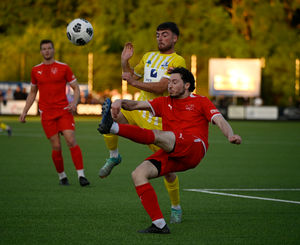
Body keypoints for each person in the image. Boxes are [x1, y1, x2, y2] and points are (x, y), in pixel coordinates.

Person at [97, 67, 242, 234]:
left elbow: (219, 120)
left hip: (194, 147)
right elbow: (135, 104)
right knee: (138, 174)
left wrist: (230, 135)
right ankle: (159, 224)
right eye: (169, 82)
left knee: (161, 135)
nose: (169, 86)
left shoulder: (201, 101)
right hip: (174, 152)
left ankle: (113, 128)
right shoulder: (163, 102)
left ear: (187, 85)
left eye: (174, 82)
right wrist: (120, 102)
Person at [100, 22, 186, 224]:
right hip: (138, 109)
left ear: (175, 38)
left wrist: (133, 82)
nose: (160, 38)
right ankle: (114, 156)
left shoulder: (177, 60)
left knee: (168, 171)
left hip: (156, 119)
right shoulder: (148, 56)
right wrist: (124, 62)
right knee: (109, 116)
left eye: (165, 35)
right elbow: (130, 75)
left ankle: (175, 207)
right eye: (157, 35)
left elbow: (160, 88)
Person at [19, 39, 90, 187]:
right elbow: (32, 93)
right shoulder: (35, 70)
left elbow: (76, 88)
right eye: (44, 49)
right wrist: (24, 112)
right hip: (47, 114)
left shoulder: (64, 68)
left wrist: (74, 103)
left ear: (53, 50)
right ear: (41, 52)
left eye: (49, 48)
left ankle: (81, 176)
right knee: (56, 146)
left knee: (71, 140)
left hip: (64, 111)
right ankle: (62, 176)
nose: (47, 51)